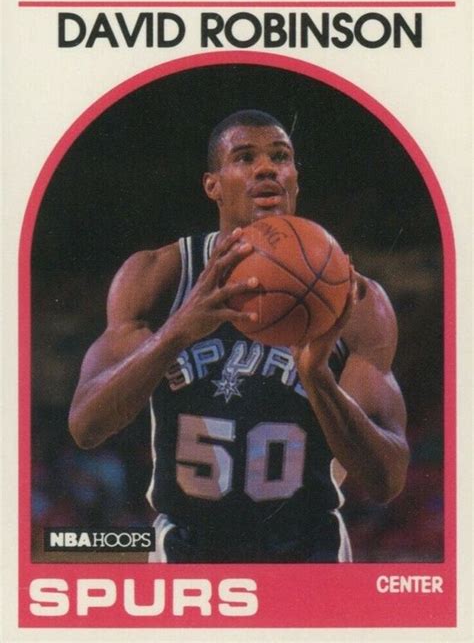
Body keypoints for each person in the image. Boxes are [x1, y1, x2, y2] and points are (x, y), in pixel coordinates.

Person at [69, 109, 409, 562]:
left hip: (310, 548)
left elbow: (387, 480)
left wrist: (319, 379)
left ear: (294, 179)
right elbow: (86, 427)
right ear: (212, 185)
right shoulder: (160, 277)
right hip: (186, 548)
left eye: (280, 157)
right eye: (245, 157)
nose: (267, 168)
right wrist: (175, 333)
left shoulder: (355, 299)